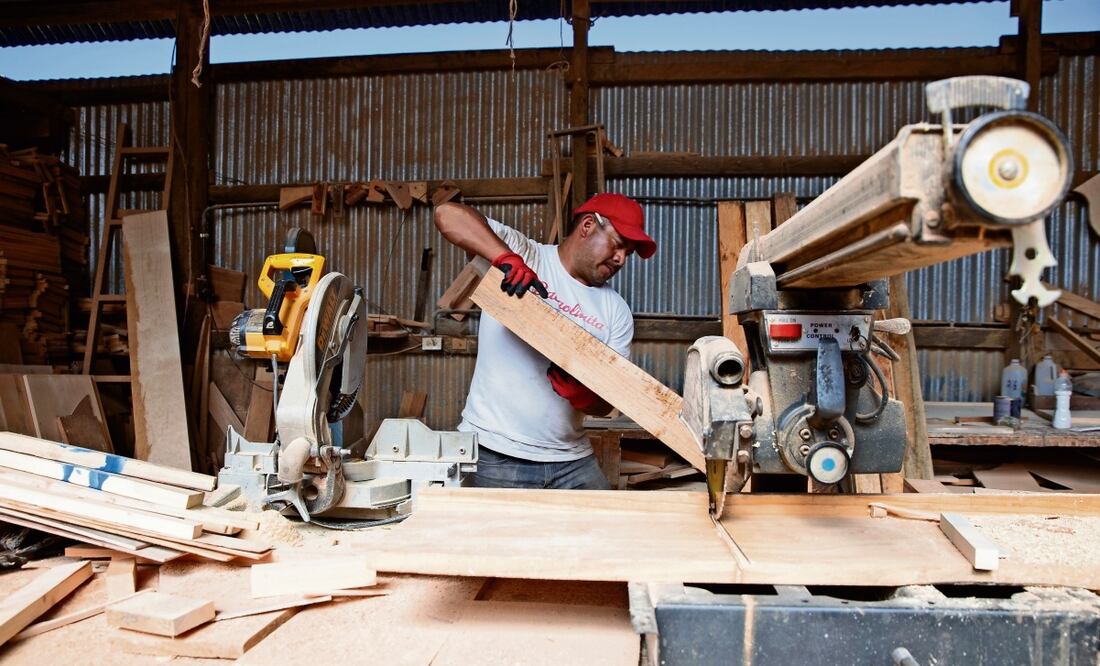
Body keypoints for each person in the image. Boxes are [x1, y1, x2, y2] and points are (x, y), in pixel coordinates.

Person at [433, 193, 657, 489]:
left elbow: (606, 405)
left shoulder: (616, 311)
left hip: (571, 460)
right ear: (588, 225)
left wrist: (585, 395)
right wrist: (505, 259)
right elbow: (447, 213)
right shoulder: (526, 254)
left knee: (605, 531)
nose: (620, 259)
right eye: (618, 245)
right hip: (496, 452)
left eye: (627, 254)